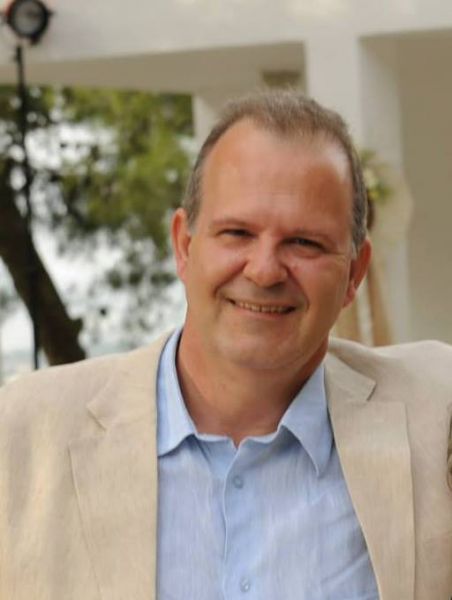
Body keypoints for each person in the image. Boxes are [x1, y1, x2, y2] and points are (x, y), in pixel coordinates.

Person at [0, 90, 450, 600]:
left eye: (304, 242)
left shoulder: (434, 411)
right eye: (237, 233)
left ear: (354, 274)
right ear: (184, 246)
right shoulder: (24, 434)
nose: (264, 270)